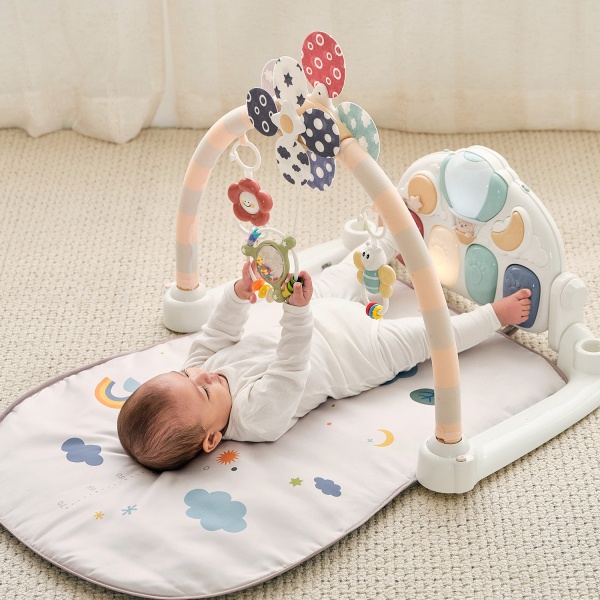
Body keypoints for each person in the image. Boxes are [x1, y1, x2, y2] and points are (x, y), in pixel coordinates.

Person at [117, 234, 532, 472]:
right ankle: (497, 315)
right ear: (212, 439)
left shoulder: (198, 373)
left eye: (186, 375)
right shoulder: (254, 418)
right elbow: (290, 367)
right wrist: (298, 314)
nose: (202, 374)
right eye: (204, 390)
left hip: (316, 313)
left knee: (345, 271)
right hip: (357, 354)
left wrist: (238, 294)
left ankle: (393, 237)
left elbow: (218, 330)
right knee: (435, 337)